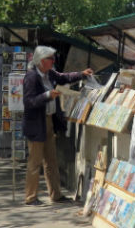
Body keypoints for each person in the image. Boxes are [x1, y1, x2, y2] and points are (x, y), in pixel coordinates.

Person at [23, 45, 93, 206]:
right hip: (36, 124)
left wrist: (81, 74)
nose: (53, 61)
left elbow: (64, 77)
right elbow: (29, 101)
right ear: (41, 61)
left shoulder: (50, 73)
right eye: (50, 59)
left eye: (53, 58)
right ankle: (30, 197)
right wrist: (47, 95)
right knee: (35, 162)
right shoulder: (32, 77)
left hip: (48, 121)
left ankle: (56, 194)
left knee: (51, 160)